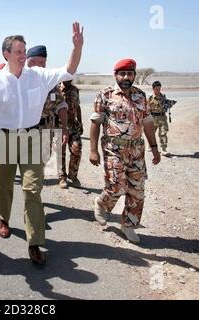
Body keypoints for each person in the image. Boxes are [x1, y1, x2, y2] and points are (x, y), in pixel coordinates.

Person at [0, 22, 84, 265]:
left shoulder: (38, 76)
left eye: (24, 50)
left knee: (32, 190)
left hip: (32, 138)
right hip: (4, 138)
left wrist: (77, 47)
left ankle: (35, 241)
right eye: (18, 51)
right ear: (6, 54)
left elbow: (69, 70)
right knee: (3, 185)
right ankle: (4, 218)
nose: (23, 55)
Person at [89, 58, 161, 244]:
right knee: (116, 187)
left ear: (134, 75)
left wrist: (154, 148)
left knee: (137, 191)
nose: (126, 77)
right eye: (122, 73)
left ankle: (128, 226)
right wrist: (93, 150)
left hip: (136, 150)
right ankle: (101, 203)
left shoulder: (141, 96)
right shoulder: (105, 95)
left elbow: (148, 123)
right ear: (116, 75)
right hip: (114, 149)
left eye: (129, 73)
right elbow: (95, 123)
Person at [26, 45, 69, 168]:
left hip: (46, 130)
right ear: (29, 62)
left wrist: (65, 128)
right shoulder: (20, 81)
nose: (43, 66)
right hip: (25, 131)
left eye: (44, 62)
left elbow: (61, 105)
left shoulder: (50, 83)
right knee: (29, 166)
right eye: (40, 62)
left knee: (42, 163)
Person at [58, 80, 83, 189]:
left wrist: (81, 122)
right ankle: (62, 177)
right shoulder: (56, 89)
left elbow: (78, 106)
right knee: (60, 152)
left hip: (73, 125)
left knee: (76, 149)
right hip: (59, 126)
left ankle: (73, 175)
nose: (69, 79)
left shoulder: (75, 90)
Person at [148, 81, 175, 156]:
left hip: (162, 117)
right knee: (151, 133)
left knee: (163, 133)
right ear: (153, 89)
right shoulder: (150, 97)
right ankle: (150, 145)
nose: (158, 90)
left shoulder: (163, 96)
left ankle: (164, 149)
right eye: (156, 89)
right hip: (153, 118)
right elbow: (146, 108)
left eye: (159, 88)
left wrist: (169, 104)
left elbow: (165, 104)